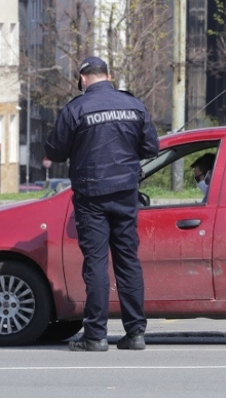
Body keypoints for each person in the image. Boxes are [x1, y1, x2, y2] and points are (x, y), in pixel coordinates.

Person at [44, 56, 160, 352]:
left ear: (83, 79)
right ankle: (135, 333)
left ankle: (96, 335)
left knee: (96, 263)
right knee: (128, 260)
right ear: (109, 76)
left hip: (91, 196)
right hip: (125, 193)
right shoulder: (133, 105)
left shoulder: (76, 109)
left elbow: (55, 151)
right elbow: (151, 148)